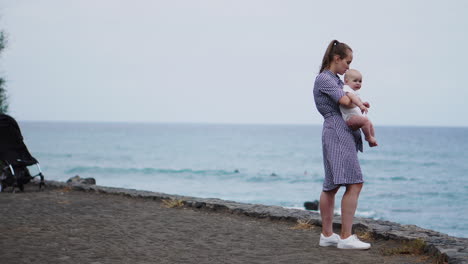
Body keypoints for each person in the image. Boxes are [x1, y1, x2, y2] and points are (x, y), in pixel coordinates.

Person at [313, 40, 371, 250]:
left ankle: (327, 235)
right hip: (338, 131)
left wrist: (354, 96)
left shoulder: (335, 80)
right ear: (336, 59)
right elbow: (345, 102)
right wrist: (353, 97)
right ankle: (346, 237)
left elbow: (348, 99)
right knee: (354, 183)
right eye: (347, 62)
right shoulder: (325, 79)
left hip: (335, 131)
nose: (348, 66)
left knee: (332, 185)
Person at [339, 69, 378, 147]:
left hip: (356, 116)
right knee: (365, 121)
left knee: (370, 124)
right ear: (346, 81)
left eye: (360, 81)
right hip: (350, 118)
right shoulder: (346, 88)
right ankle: (368, 137)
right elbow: (352, 98)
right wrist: (361, 105)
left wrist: (363, 103)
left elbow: (355, 101)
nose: (358, 83)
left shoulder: (354, 92)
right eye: (355, 81)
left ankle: (372, 139)